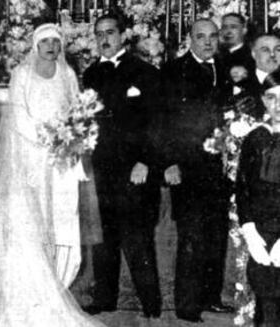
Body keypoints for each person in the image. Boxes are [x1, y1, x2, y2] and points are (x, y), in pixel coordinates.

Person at [0, 23, 106, 327]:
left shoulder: (67, 75)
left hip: (62, 160)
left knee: (64, 219)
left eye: (56, 41)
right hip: (30, 157)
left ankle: (58, 287)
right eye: (46, 42)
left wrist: (68, 138)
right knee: (31, 222)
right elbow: (18, 116)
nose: (51, 46)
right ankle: (29, 295)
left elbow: (77, 111)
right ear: (36, 45)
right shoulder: (22, 74)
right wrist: (47, 138)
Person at [82, 12, 162, 318]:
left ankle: (152, 305)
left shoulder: (145, 72)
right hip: (101, 168)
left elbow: (156, 123)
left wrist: (146, 161)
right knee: (105, 238)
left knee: (137, 239)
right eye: (99, 33)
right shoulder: (90, 74)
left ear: (123, 35)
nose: (104, 38)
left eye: (110, 32)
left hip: (134, 169)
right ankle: (105, 299)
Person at [161, 18, 232, 322]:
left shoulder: (227, 70)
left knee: (216, 235)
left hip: (220, 169)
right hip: (187, 168)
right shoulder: (173, 71)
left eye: (213, 37)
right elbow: (161, 123)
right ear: (189, 39)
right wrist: (169, 162)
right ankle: (188, 306)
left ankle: (211, 297)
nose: (207, 42)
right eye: (201, 37)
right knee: (192, 236)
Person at [237, 69, 280, 327]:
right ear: (264, 100)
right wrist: (250, 229)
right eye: (273, 98)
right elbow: (243, 186)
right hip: (262, 229)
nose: (279, 105)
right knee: (266, 302)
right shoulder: (256, 137)